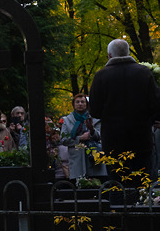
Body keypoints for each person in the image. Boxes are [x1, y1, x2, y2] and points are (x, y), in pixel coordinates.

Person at [90, 38, 160, 184]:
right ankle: (142, 204)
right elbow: (156, 104)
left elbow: (95, 111)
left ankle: (118, 205)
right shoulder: (144, 73)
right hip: (141, 139)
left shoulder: (101, 76)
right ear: (128, 52)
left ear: (109, 55)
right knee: (143, 181)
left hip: (113, 141)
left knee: (117, 183)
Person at [60, 94, 107, 180]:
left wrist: (92, 130)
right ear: (73, 104)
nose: (80, 104)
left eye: (83, 102)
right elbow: (63, 140)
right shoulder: (67, 120)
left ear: (87, 104)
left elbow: (102, 136)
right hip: (77, 162)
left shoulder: (95, 119)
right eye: (77, 102)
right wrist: (80, 138)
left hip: (95, 161)